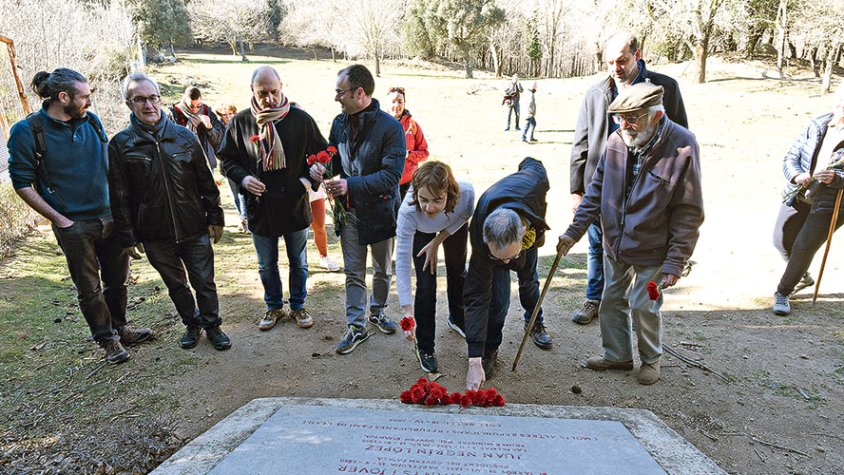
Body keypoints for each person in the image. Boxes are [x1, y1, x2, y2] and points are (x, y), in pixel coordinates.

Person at [558, 83, 704, 385]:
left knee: (643, 303)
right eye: (619, 118)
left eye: (632, 118)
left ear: (656, 115)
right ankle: (617, 355)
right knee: (611, 300)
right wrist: (573, 233)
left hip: (654, 246)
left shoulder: (683, 146)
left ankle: (651, 359)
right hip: (615, 243)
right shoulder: (616, 140)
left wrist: (676, 262)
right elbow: (596, 190)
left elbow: (688, 211)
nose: (624, 125)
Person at [7, 68, 151, 364]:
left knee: (117, 280)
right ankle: (107, 340)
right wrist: (60, 220)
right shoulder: (28, 131)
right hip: (74, 225)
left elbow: (108, 165)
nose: (89, 102)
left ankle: (121, 328)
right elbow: (21, 183)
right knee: (89, 288)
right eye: (84, 97)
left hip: (109, 216)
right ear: (63, 97)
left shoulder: (91, 121)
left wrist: (123, 209)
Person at [569, 32, 688, 325]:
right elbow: (581, 142)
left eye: (621, 60)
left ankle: (642, 306)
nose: (615, 67)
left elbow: (681, 138)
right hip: (604, 185)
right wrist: (577, 189)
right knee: (598, 246)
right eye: (609, 61)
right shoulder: (595, 93)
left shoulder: (665, 88)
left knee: (644, 252)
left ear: (637, 54)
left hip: (648, 188)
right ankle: (594, 298)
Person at [109, 73, 230, 351]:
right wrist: (128, 236)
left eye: (152, 98)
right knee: (176, 285)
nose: (148, 105)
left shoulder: (184, 137)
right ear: (129, 104)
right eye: (140, 99)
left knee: (204, 282)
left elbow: (205, 182)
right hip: (153, 233)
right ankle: (192, 323)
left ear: (160, 99)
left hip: (193, 226)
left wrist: (215, 217)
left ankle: (213, 325)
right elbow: (119, 195)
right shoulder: (121, 145)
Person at [218, 66, 328, 332]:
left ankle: (299, 305)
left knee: (298, 261)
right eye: (262, 93)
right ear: (253, 91)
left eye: (274, 92)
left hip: (294, 204)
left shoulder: (300, 119)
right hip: (260, 207)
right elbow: (227, 161)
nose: (269, 98)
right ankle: (274, 306)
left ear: (282, 86)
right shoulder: (241, 122)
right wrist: (243, 179)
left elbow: (324, 155)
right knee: (266, 264)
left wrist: (308, 178)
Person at [310, 64, 406, 355]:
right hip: (349, 212)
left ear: (359, 93)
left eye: (341, 93)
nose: (337, 98)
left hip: (381, 213)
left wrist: (351, 185)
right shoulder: (339, 123)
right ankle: (356, 326)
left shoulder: (391, 129)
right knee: (353, 272)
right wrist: (321, 168)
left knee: (381, 269)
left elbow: (391, 177)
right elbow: (333, 160)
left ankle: (377, 311)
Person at [464, 157, 553, 391]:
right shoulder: (482, 241)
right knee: (497, 302)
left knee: (529, 283)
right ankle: (489, 349)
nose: (505, 262)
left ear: (522, 233)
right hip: (499, 241)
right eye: (499, 257)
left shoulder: (534, 182)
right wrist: (474, 358)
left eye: (508, 257)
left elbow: (532, 162)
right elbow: (476, 298)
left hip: (526, 232)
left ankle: (534, 323)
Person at [772, 87, 844, 315]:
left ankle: (783, 292)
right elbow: (790, 157)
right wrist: (796, 175)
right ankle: (801, 274)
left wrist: (837, 178)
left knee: (804, 246)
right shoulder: (818, 124)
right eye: (841, 99)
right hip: (800, 193)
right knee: (781, 240)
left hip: (832, 203)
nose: (842, 104)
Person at [396, 161, 474, 373]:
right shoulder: (408, 212)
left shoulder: (465, 193)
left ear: (448, 192)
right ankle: (426, 347)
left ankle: (457, 317)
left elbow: (465, 215)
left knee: (457, 270)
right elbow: (402, 260)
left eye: (437, 200)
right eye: (424, 199)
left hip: (452, 226)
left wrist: (439, 239)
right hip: (422, 230)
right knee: (426, 285)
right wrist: (406, 310)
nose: (430, 208)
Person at [386, 86, 429, 200]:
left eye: (400, 101)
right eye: (393, 102)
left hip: (408, 184)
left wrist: (408, 155)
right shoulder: (378, 125)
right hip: (386, 183)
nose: (396, 105)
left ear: (404, 103)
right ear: (387, 104)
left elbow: (424, 152)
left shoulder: (413, 125)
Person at [170, 86, 224, 170]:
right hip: (182, 164)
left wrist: (209, 127)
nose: (195, 109)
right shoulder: (175, 114)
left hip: (206, 163)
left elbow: (217, 140)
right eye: (191, 106)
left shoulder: (207, 113)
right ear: (184, 101)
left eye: (198, 105)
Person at [216, 103, 249, 234]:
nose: (228, 117)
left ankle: (245, 218)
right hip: (228, 166)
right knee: (236, 194)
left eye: (231, 113)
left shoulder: (241, 124)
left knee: (243, 193)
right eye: (225, 115)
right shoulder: (219, 129)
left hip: (243, 166)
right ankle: (243, 218)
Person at [309, 184, 342, 271]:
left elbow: (325, 172)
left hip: (315, 191)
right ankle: (299, 261)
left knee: (319, 225)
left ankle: (324, 256)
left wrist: (328, 186)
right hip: (296, 190)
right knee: (298, 229)